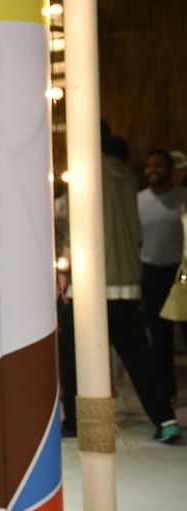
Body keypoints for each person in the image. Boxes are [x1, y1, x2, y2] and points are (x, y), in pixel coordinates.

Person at [93, 123, 180, 442]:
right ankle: (166, 419)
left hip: (93, 279)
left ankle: (83, 423)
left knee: (78, 355)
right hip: (128, 277)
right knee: (139, 354)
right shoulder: (128, 177)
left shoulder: (88, 173)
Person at [138, 149, 187, 404]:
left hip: (181, 273)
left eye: (158, 165)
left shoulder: (183, 197)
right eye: (149, 166)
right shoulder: (139, 199)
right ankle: (167, 391)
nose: (153, 170)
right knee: (159, 336)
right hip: (152, 273)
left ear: (170, 169)